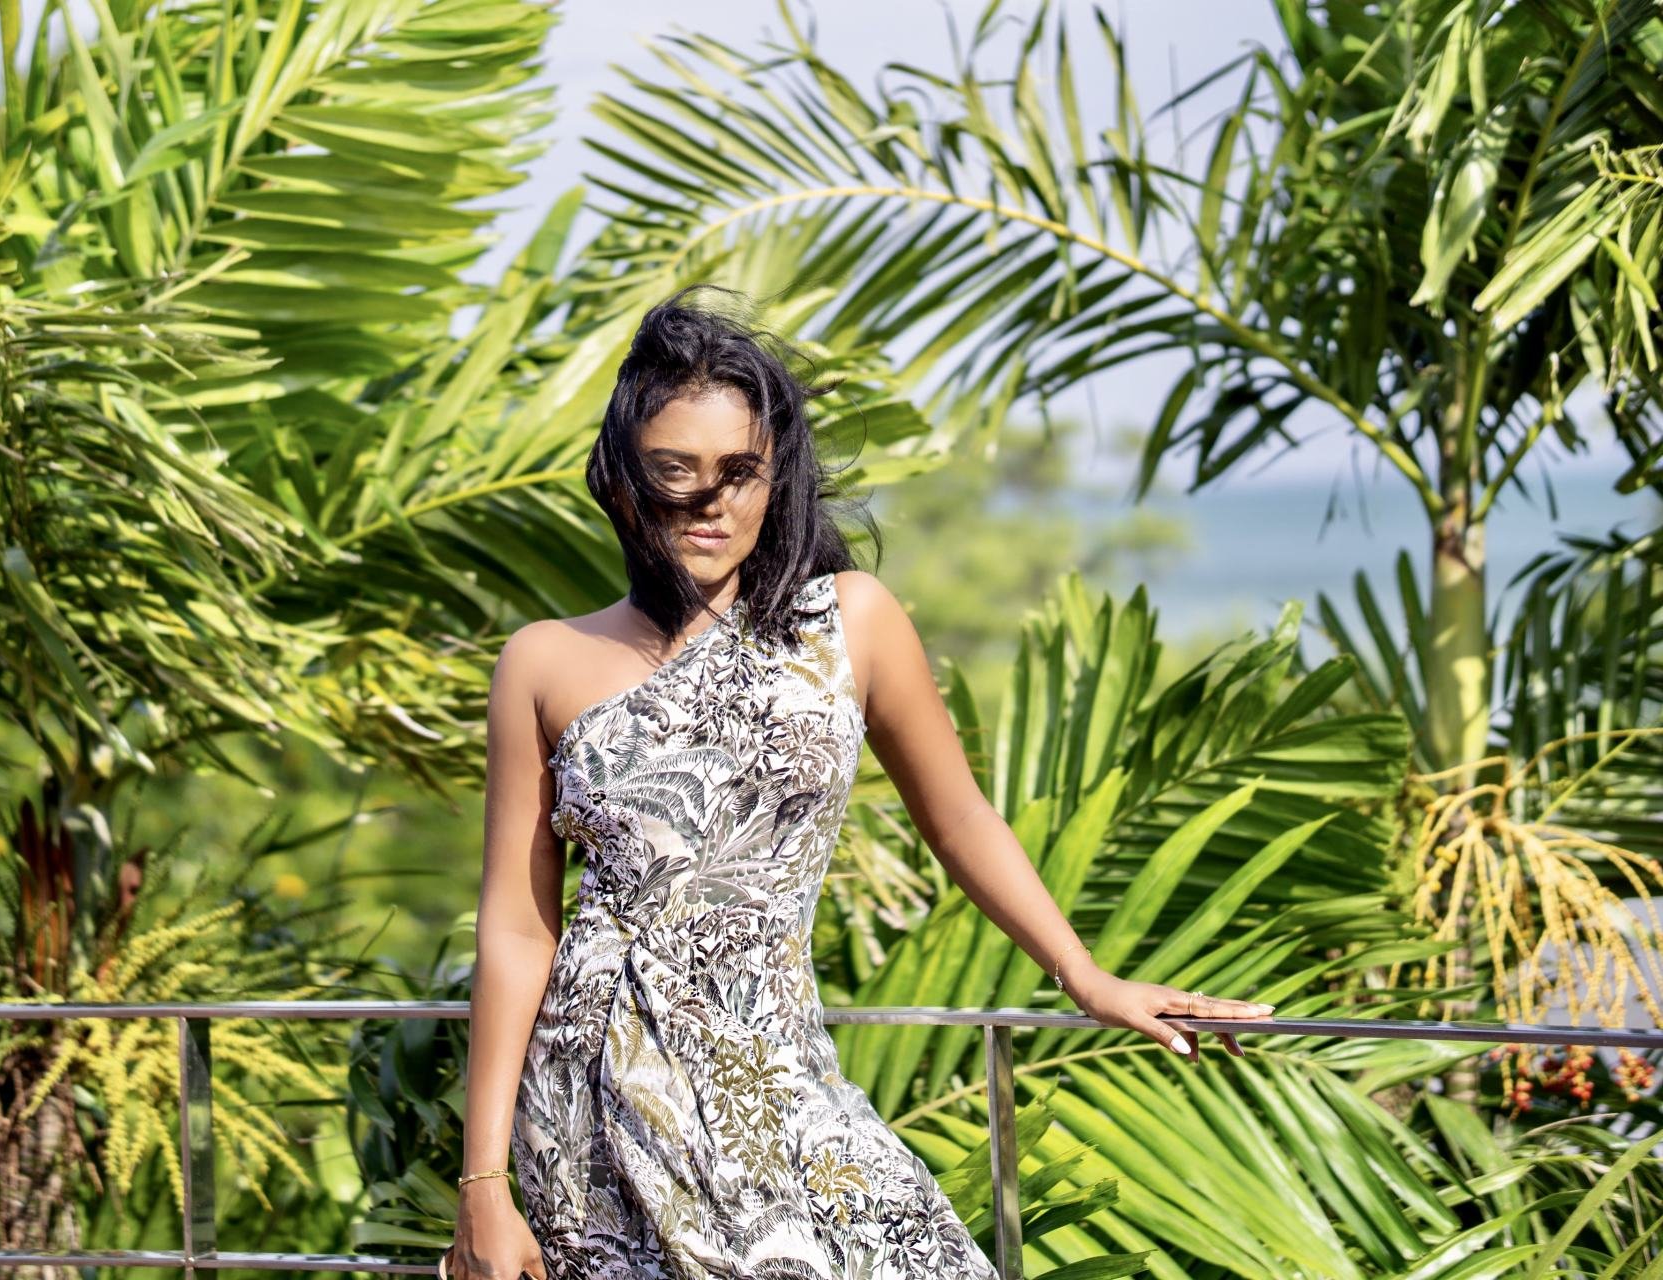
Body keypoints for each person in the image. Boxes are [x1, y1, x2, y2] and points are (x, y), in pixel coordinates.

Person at [440, 285, 1273, 1280]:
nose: (713, 502)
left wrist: (1081, 973)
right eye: (677, 471)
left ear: (775, 477)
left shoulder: (849, 620)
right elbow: (517, 926)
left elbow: (958, 815)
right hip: (601, 1096)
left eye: (741, 471)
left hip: (781, 1074)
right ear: (622, 481)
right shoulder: (542, 660)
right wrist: (482, 1182)